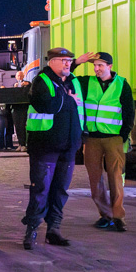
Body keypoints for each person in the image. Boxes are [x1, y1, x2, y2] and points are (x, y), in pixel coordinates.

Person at [21, 48, 86, 250]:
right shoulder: (42, 80)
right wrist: (69, 100)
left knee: (60, 191)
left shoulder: (72, 81)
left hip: (68, 146)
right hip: (45, 147)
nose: (68, 64)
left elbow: (79, 109)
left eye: (70, 61)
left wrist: (80, 137)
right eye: (64, 60)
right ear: (52, 62)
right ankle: (31, 230)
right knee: (40, 190)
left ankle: (54, 230)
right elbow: (46, 104)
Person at [76, 52, 136, 232]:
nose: (96, 69)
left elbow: (129, 111)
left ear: (110, 66)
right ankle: (105, 215)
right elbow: (66, 76)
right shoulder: (86, 83)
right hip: (92, 139)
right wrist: (77, 62)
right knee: (95, 180)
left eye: (100, 65)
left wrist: (123, 135)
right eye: (94, 65)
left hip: (113, 139)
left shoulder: (121, 84)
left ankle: (118, 217)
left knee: (115, 178)